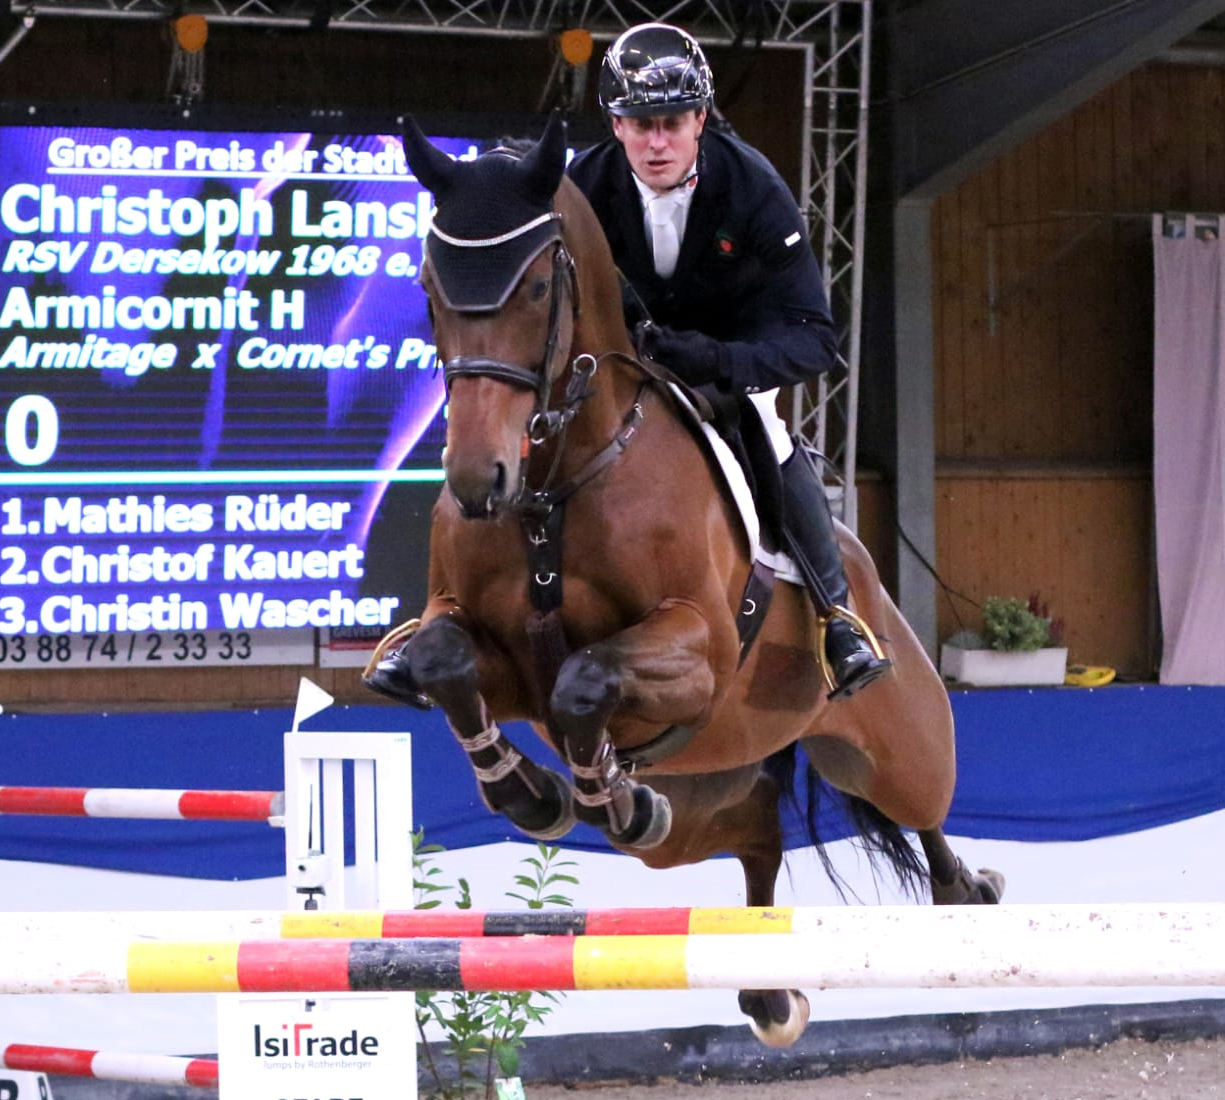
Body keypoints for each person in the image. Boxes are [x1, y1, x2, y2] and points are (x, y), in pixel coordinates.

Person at [567, 21, 890, 699]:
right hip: (625, 359)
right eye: (639, 124)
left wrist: (719, 360)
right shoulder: (582, 187)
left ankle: (837, 617)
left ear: (700, 119)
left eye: (672, 123)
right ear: (615, 125)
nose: (657, 142)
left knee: (768, 430)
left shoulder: (753, 187)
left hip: (728, 358)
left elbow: (814, 336)